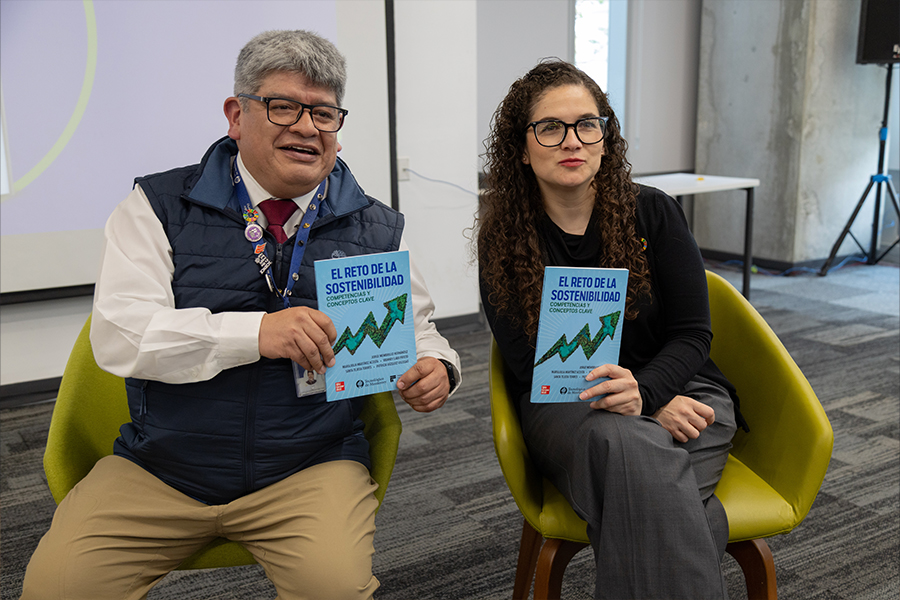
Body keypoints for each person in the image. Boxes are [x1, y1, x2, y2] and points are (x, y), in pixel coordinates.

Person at [21, 30, 460, 600]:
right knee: (56, 589)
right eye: (284, 107)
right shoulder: (157, 207)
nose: (307, 127)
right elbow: (121, 336)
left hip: (310, 467)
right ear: (236, 115)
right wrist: (255, 333)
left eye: (324, 114)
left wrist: (438, 368)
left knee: (336, 591)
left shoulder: (375, 228)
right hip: (163, 469)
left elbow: (419, 330)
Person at [476, 60, 747, 599]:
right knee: (625, 443)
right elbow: (529, 361)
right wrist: (641, 407)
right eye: (549, 127)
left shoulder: (655, 213)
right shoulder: (503, 235)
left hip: (688, 396)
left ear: (606, 137)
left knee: (630, 461)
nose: (571, 140)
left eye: (587, 124)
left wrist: (646, 394)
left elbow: (694, 334)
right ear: (521, 146)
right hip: (566, 403)